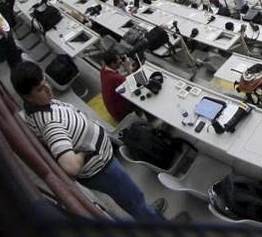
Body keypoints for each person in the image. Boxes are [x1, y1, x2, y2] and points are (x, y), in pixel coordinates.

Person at [10, 62, 165, 221]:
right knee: (134, 200)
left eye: (45, 82)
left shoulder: (38, 106)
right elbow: (70, 166)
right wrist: (85, 152)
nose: (48, 89)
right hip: (103, 169)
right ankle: (155, 220)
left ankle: (148, 211)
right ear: (27, 96)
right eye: (40, 89)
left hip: (102, 167)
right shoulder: (50, 124)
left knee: (132, 199)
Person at [99, 49, 135, 122]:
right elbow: (134, 85)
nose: (121, 62)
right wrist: (128, 68)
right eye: (118, 60)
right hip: (120, 114)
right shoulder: (116, 78)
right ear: (112, 64)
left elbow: (119, 77)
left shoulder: (103, 70)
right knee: (139, 97)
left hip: (112, 107)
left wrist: (129, 71)